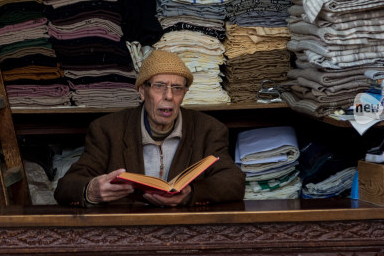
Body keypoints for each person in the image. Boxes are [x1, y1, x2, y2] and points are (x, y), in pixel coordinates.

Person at [54, 49, 245, 207]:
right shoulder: (107, 129)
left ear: (184, 94)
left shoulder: (209, 129)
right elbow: (65, 187)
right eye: (159, 86)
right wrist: (91, 190)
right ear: (142, 91)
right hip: (126, 234)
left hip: (184, 233)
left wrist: (191, 193)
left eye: (177, 88)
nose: (169, 96)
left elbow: (234, 181)